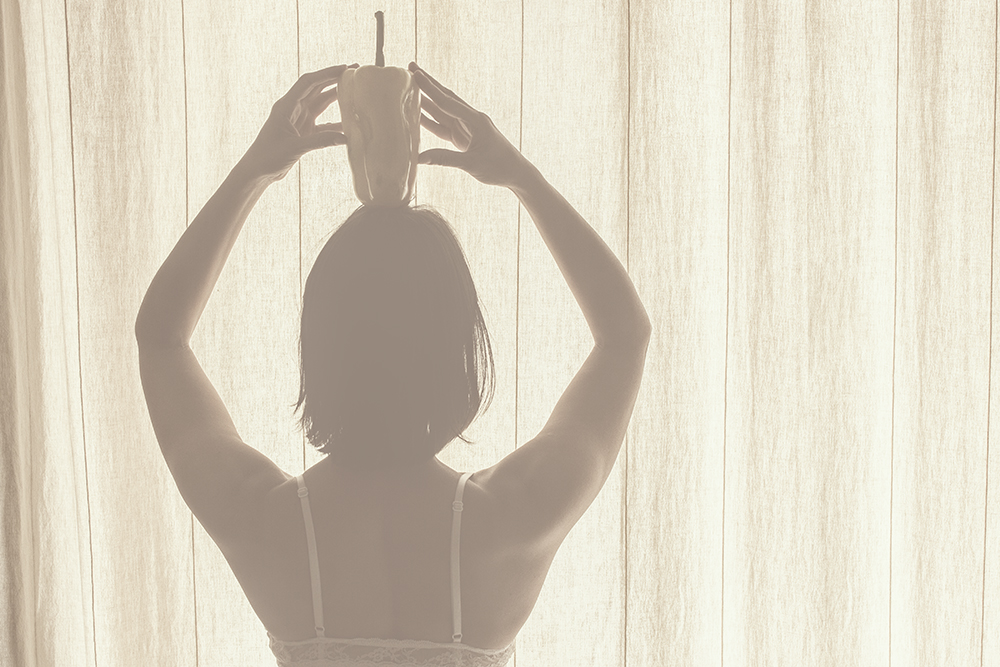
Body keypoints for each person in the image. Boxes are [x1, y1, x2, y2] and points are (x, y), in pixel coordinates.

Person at [134, 61, 651, 667]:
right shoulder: (514, 517)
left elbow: (161, 338)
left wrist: (255, 171)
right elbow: (624, 337)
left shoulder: (263, 521)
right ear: (457, 352)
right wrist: (521, 179)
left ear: (318, 348)